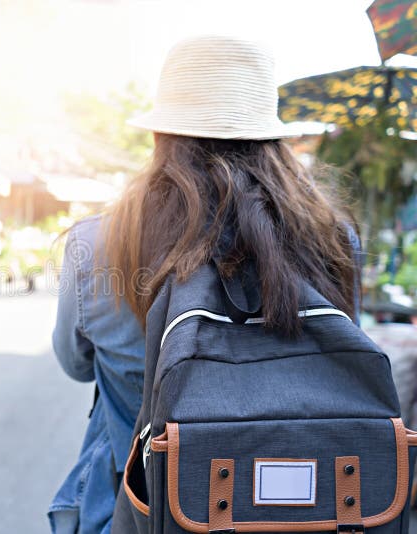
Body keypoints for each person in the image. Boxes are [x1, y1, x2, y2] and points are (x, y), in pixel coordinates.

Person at [48, 36, 361, 534]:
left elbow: (76, 364)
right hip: (303, 512)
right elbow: (348, 360)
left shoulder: (100, 244)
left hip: (147, 511)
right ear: (271, 141)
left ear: (161, 136)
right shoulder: (330, 238)